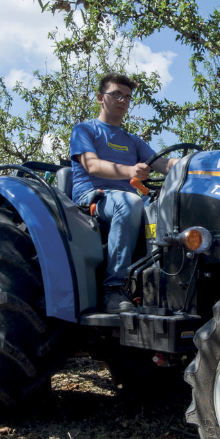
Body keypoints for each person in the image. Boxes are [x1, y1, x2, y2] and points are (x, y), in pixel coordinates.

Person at [70, 73, 175, 313]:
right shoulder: (84, 130)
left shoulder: (132, 140)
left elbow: (163, 164)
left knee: (168, 205)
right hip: (93, 196)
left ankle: (163, 281)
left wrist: (193, 163)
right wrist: (131, 171)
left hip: (128, 199)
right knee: (128, 202)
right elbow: (93, 165)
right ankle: (114, 288)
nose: (122, 100)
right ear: (100, 98)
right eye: (116, 94)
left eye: (127, 97)